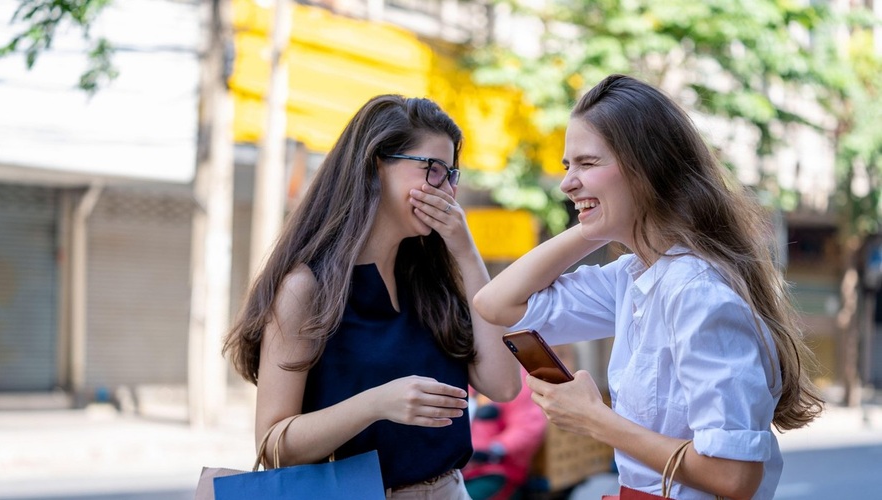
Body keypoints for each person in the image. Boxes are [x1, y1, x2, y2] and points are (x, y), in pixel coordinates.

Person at [473, 74, 824, 500]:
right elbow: (496, 303)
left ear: (647, 168)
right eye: (569, 166)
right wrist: (598, 221)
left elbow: (735, 476)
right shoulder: (633, 276)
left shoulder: (696, 291)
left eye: (587, 164)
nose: (567, 182)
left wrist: (594, 418)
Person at [222, 94, 521, 497]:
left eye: (451, 174)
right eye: (432, 169)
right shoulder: (307, 288)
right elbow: (273, 445)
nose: (446, 189)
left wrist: (467, 254)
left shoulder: (430, 278)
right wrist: (376, 404)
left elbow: (503, 386)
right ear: (376, 164)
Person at [462, 370, 548, 500]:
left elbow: (527, 427)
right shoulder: (459, 372)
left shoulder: (515, 378)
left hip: (495, 471)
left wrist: (494, 449)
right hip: (457, 470)